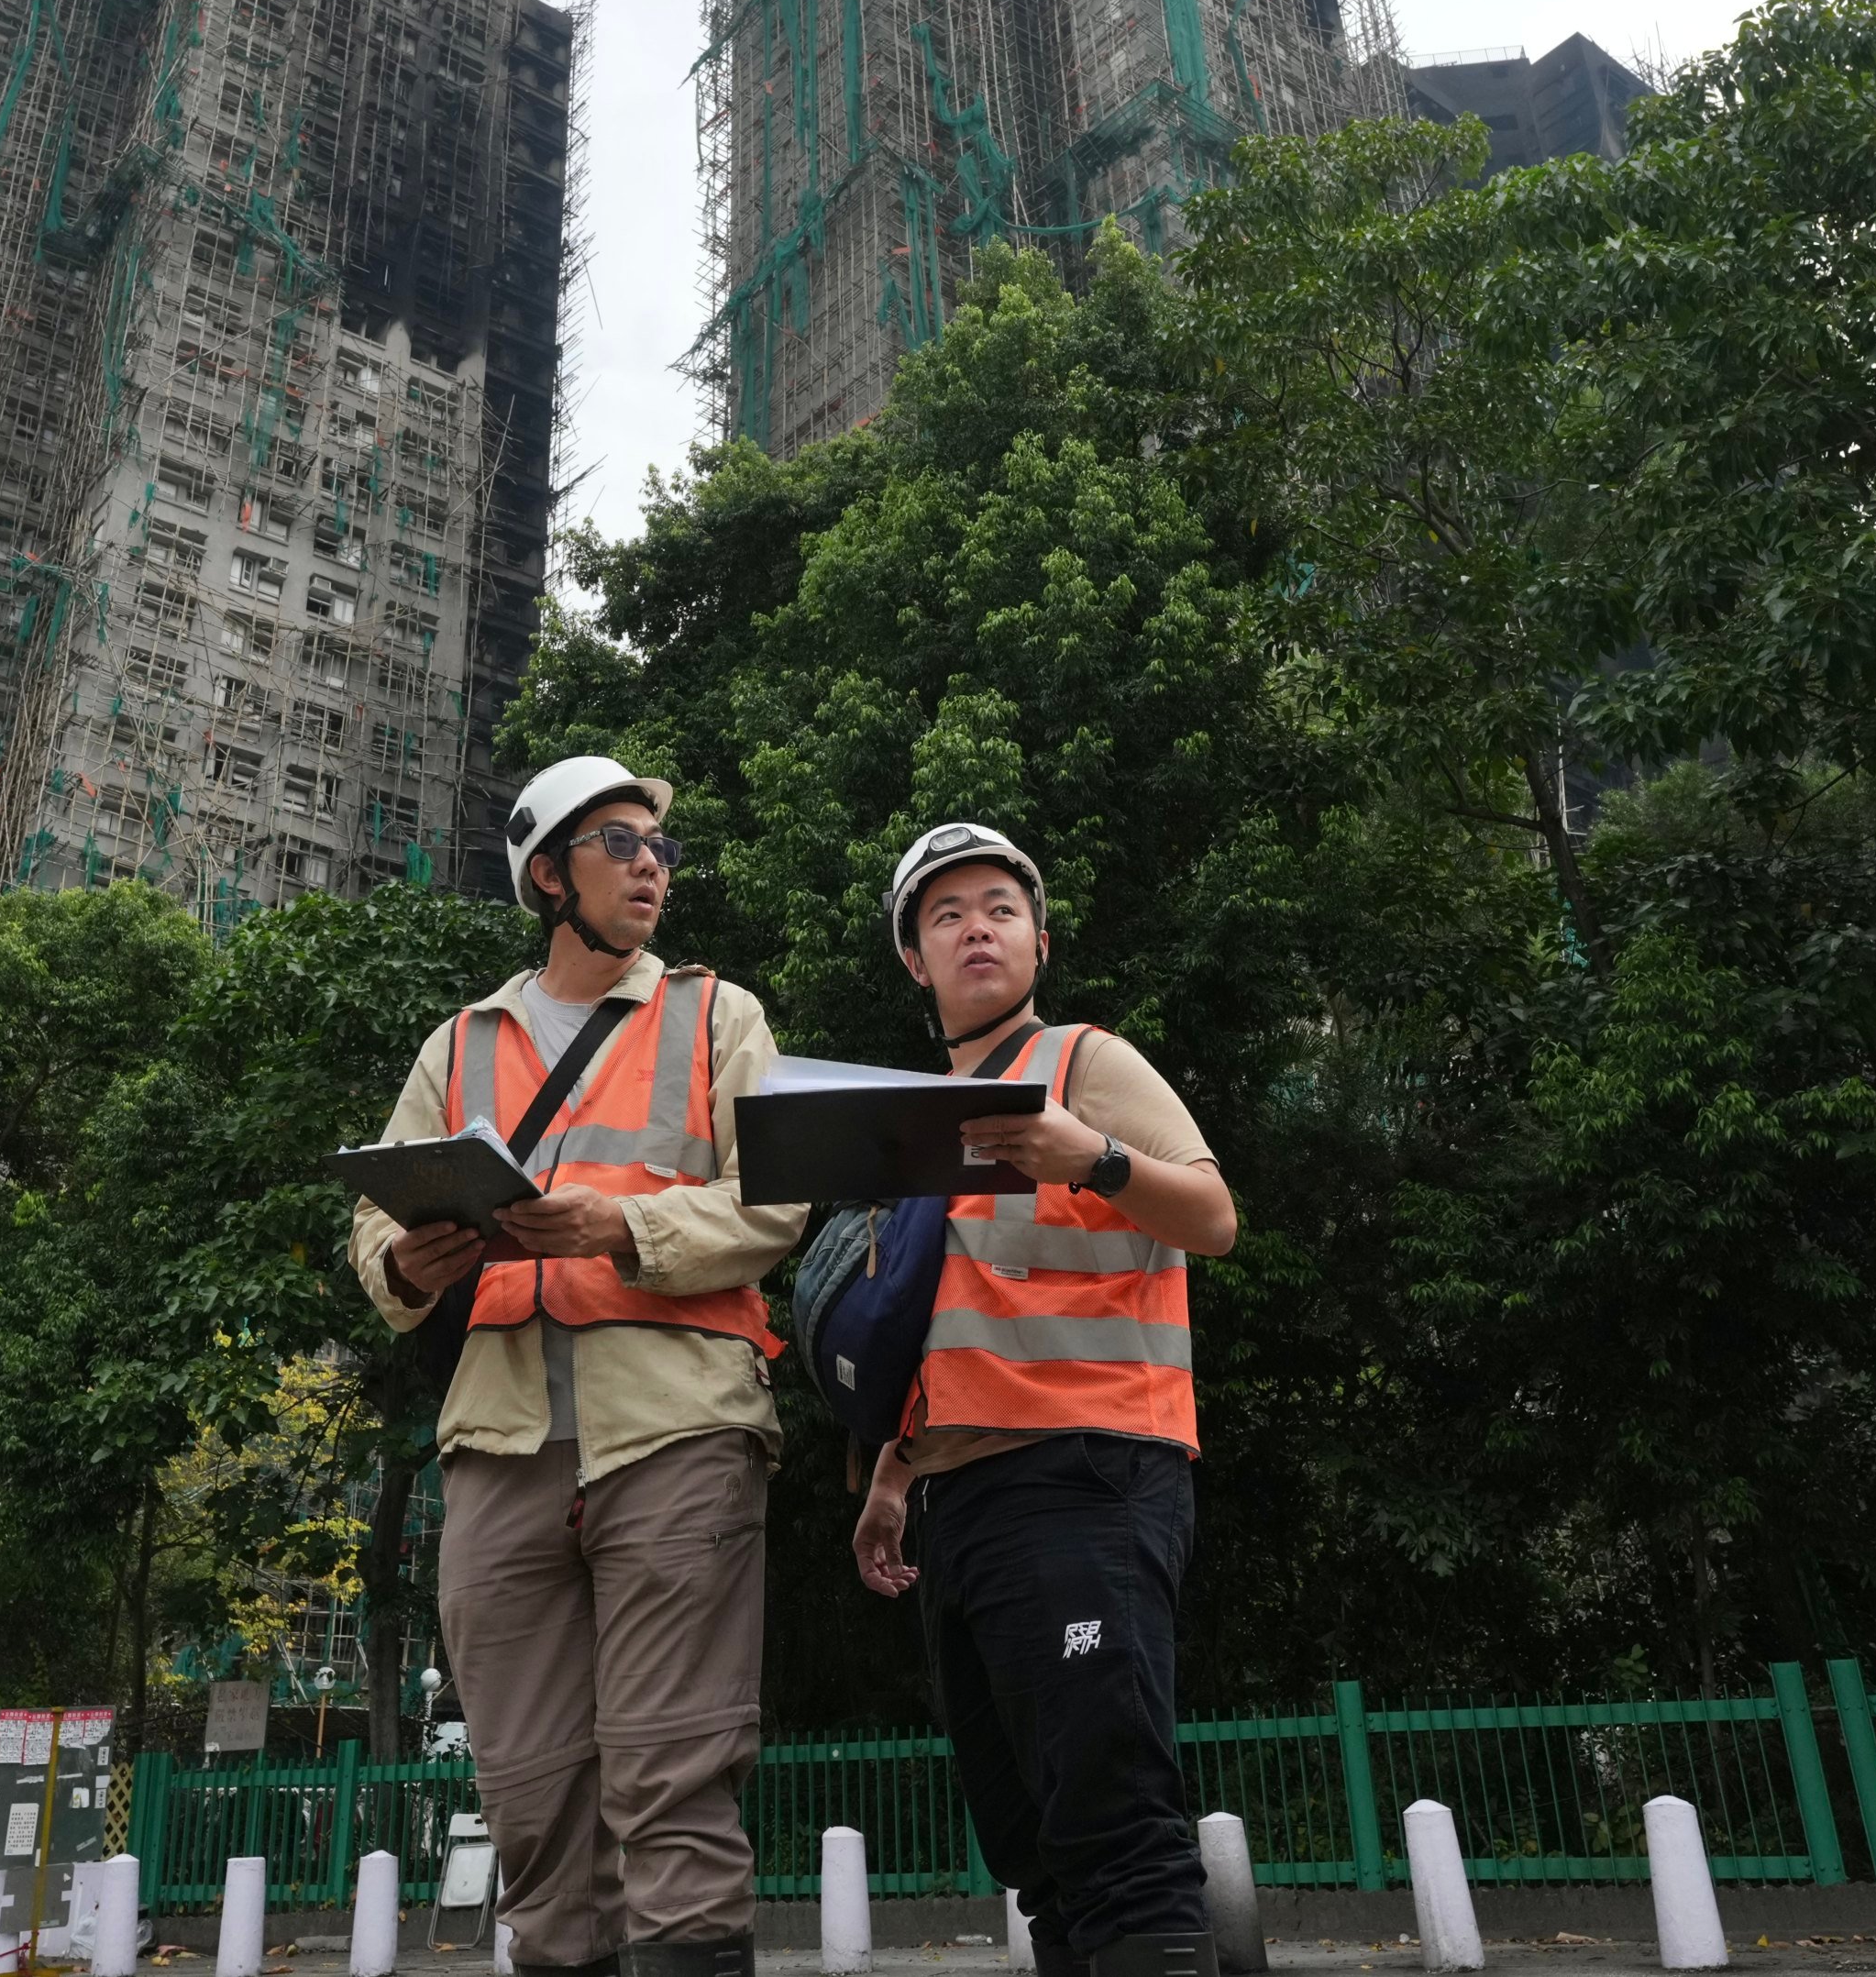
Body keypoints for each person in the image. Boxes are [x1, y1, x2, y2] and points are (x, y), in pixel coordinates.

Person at [351, 756, 798, 1977]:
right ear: (547, 873)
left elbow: (777, 1196)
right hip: (498, 1440)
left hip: (675, 1424)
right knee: (530, 1794)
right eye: (618, 840)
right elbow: (371, 1227)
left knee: (670, 1767)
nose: (651, 861)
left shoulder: (718, 1013)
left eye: (659, 844)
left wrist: (623, 1227)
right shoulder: (461, 1040)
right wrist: (413, 1261)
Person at [850, 822, 1240, 1977]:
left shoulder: (1085, 1063)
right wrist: (887, 1481)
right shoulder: (919, 1114)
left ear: (1040, 941)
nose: (977, 926)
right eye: (946, 914)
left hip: (1088, 1473)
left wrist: (1094, 1160)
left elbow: (1214, 1220)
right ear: (917, 960)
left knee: (1113, 1822)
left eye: (1000, 909)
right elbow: (945, 1317)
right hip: (960, 1504)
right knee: (1037, 1854)